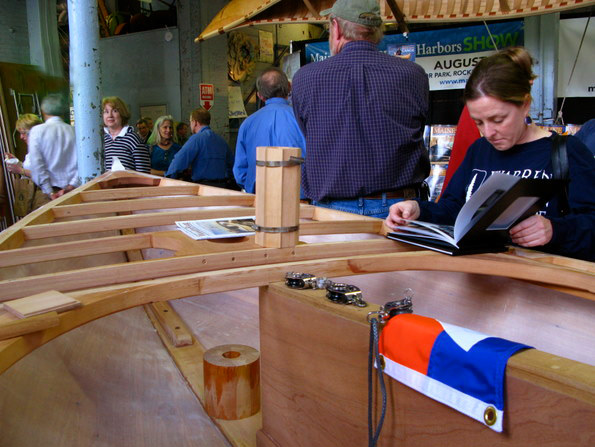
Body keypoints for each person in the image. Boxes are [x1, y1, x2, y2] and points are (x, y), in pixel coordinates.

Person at [386, 47, 595, 261]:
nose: (488, 132)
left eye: (498, 120)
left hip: (544, 282)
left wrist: (555, 230)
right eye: (478, 122)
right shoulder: (479, 150)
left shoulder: (567, 151)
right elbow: (454, 209)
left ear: (525, 105)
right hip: (481, 278)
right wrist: (417, 209)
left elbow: (591, 223)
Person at [291, 0, 430, 218]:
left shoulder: (305, 78)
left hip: (330, 210)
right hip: (400, 210)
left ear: (335, 28)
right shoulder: (412, 74)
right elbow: (419, 129)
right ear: (377, 31)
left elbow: (309, 133)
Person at [233, 67, 306, 194]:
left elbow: (240, 171)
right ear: (289, 87)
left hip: (260, 196)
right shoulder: (302, 119)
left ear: (260, 95)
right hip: (297, 199)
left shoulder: (247, 124)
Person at [16, 94, 80, 200]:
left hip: (49, 193)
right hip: (74, 191)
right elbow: (82, 163)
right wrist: (71, 186)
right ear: (63, 111)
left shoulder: (37, 131)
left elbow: (37, 166)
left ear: (43, 111)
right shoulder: (75, 131)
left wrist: (49, 191)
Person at [165, 107, 234, 188]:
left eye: (190, 122)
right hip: (222, 187)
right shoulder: (221, 140)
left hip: (203, 187)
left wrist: (169, 177)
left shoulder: (196, 139)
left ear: (195, 122)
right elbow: (232, 164)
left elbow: (179, 161)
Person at [102, 96, 151, 173]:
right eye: (106, 111)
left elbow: (144, 173)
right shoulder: (101, 140)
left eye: (115, 111)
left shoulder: (133, 139)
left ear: (122, 114)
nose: (110, 115)